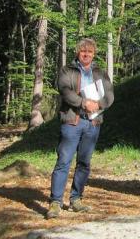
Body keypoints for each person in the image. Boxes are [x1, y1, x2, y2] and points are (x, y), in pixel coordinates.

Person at [47, 38, 114, 219]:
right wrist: (84, 103)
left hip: (92, 123)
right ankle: (55, 202)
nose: (86, 54)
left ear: (94, 54)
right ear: (78, 52)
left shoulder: (100, 73)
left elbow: (109, 95)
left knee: (84, 163)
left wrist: (98, 105)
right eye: (83, 51)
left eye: (90, 51)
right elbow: (65, 91)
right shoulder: (67, 71)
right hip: (71, 122)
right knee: (64, 161)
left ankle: (76, 199)